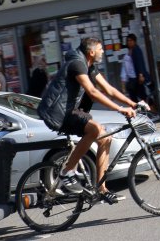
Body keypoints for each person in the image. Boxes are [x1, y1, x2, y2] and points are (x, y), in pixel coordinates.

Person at [38, 37, 139, 204]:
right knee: (95, 129)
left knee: (105, 138)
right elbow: (92, 92)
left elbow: (109, 89)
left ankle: (102, 190)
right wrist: (120, 109)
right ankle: (67, 171)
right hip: (58, 113)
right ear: (91, 52)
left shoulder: (90, 66)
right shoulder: (77, 65)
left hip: (71, 110)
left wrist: (132, 103)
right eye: (100, 49)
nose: (103, 52)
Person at [120, 33, 151, 102]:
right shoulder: (128, 54)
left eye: (131, 40)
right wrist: (123, 84)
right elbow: (124, 70)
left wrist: (141, 75)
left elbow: (140, 63)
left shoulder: (136, 50)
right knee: (136, 98)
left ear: (135, 41)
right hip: (132, 79)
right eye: (128, 41)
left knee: (143, 97)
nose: (129, 42)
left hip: (137, 78)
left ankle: (152, 110)